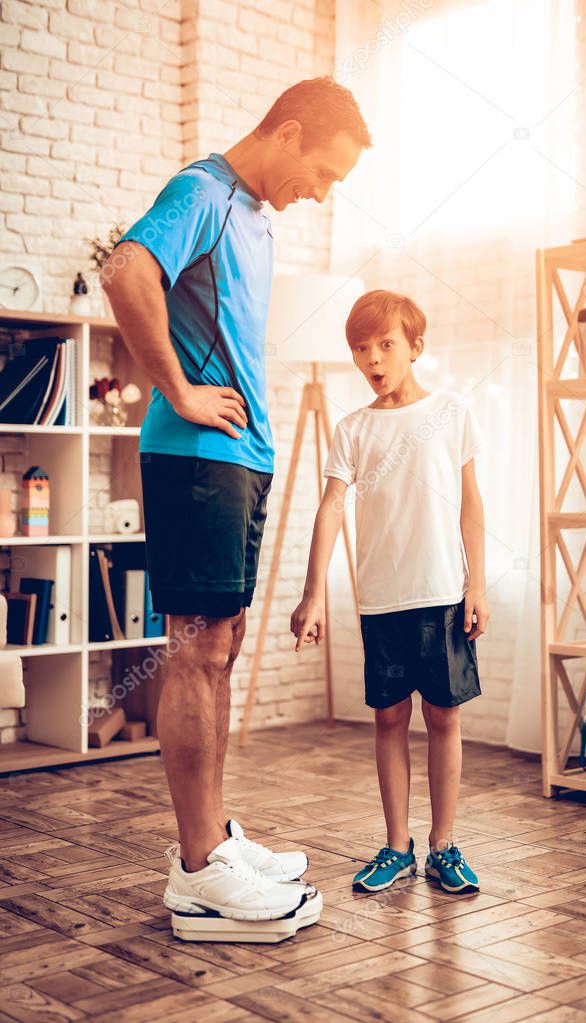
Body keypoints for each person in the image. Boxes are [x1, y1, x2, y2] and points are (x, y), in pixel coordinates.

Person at [101, 77, 372, 919]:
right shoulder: (203, 192)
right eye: (322, 172)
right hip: (195, 457)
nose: (319, 192)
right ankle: (196, 869)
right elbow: (126, 271)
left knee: (220, 645)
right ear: (287, 133)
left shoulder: (252, 217)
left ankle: (215, 837)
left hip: (238, 459)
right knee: (194, 652)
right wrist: (180, 390)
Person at [291, 289, 489, 895]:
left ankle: (443, 847)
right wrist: (313, 592)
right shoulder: (353, 430)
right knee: (388, 718)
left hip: (443, 595)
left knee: (444, 718)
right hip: (381, 599)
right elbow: (330, 507)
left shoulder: (452, 413)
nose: (372, 358)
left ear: (414, 348)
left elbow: (471, 505)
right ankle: (396, 846)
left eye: (385, 345)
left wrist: (477, 582)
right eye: (360, 348)